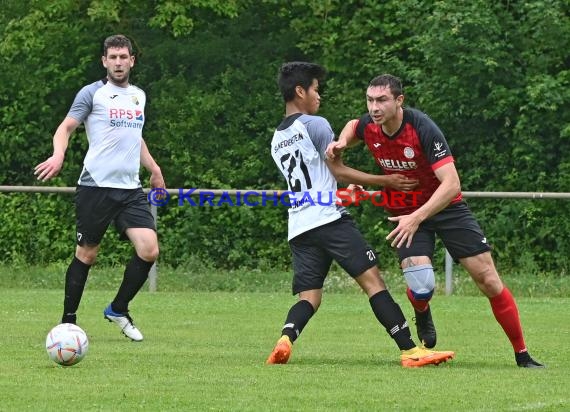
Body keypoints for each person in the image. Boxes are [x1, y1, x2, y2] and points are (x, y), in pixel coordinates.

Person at [325, 74, 543, 368]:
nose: (374, 107)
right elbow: (354, 125)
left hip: (446, 207)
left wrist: (417, 217)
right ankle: (422, 308)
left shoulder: (422, 128)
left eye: (382, 100)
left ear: (399, 101)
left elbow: (452, 184)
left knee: (488, 280)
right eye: (370, 100)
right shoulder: (370, 125)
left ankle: (522, 355)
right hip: (406, 210)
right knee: (423, 285)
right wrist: (341, 141)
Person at [266, 62, 455, 367]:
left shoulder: (276, 138)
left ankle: (286, 338)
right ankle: (409, 350)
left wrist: (351, 190)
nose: (319, 96)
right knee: (374, 283)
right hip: (328, 219)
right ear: (300, 91)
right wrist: (386, 180)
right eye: (315, 89)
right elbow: (336, 171)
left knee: (309, 298)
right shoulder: (315, 125)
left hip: (299, 224)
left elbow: (315, 179)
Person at [34, 34, 165, 342]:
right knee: (87, 254)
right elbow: (66, 127)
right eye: (113, 57)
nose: (118, 62)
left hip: (130, 190)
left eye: (124, 57)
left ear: (132, 60)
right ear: (104, 61)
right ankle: (68, 323)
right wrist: (59, 154)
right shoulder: (93, 93)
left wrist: (155, 169)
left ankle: (118, 308)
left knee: (149, 249)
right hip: (95, 188)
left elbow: (136, 137)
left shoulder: (139, 96)